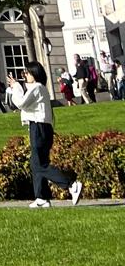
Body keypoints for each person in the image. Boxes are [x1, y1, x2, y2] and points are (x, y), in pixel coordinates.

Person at [7, 60, 82, 209]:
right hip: (40, 127)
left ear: (34, 73)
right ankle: (41, 197)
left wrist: (15, 86)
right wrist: (16, 86)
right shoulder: (37, 88)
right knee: (36, 164)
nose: (25, 76)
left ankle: (71, 184)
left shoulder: (37, 87)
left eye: (26, 73)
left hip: (39, 127)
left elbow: (21, 103)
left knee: (40, 164)